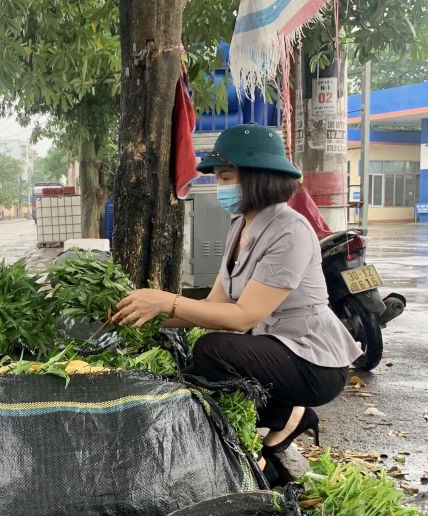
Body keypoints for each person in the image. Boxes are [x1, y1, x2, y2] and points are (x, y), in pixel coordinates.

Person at [112, 124, 361, 479]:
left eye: (227, 177)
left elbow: (243, 316)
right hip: (275, 349)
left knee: (213, 353)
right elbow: (215, 304)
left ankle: (259, 433)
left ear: (259, 177)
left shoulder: (290, 230)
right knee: (197, 362)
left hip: (314, 362)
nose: (220, 187)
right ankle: (282, 421)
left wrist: (166, 302)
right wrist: (139, 312)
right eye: (218, 178)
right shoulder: (240, 227)